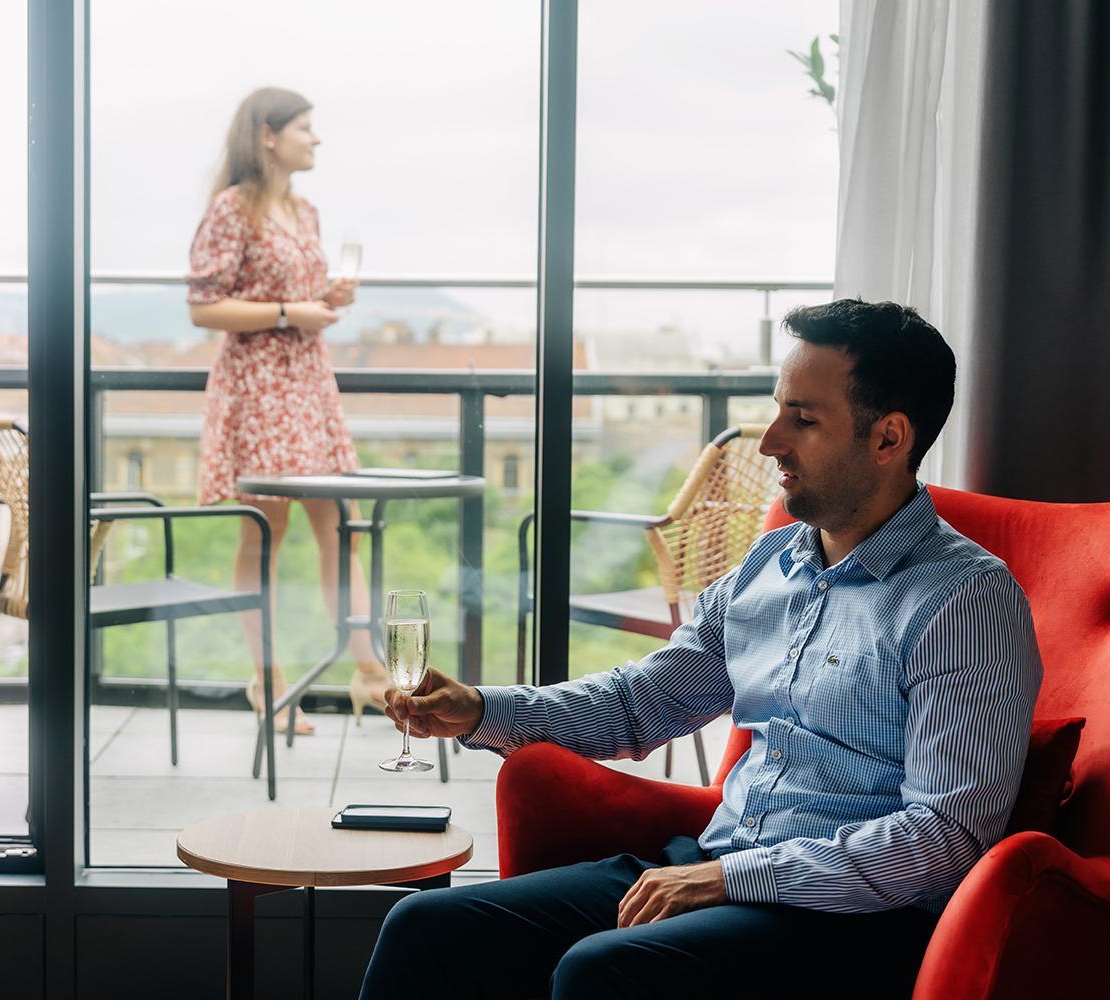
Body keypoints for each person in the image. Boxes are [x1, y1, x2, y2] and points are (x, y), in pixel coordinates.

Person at [360, 299, 1043, 999]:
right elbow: (639, 704)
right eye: (777, 411)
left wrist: (730, 879)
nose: (770, 442)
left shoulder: (964, 601)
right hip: (714, 866)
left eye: (803, 420)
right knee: (425, 928)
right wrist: (479, 709)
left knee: (602, 970)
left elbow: (944, 836)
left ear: (889, 438)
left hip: (851, 922)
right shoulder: (768, 566)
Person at [187, 87, 390, 735]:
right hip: (259, 388)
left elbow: (297, 300)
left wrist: (326, 299)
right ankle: (269, 680)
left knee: (339, 526)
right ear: (268, 135)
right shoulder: (231, 209)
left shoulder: (306, 211)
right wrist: (286, 312)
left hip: (306, 382)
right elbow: (203, 307)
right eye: (305, 127)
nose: (316, 138)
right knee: (265, 533)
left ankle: (371, 673)